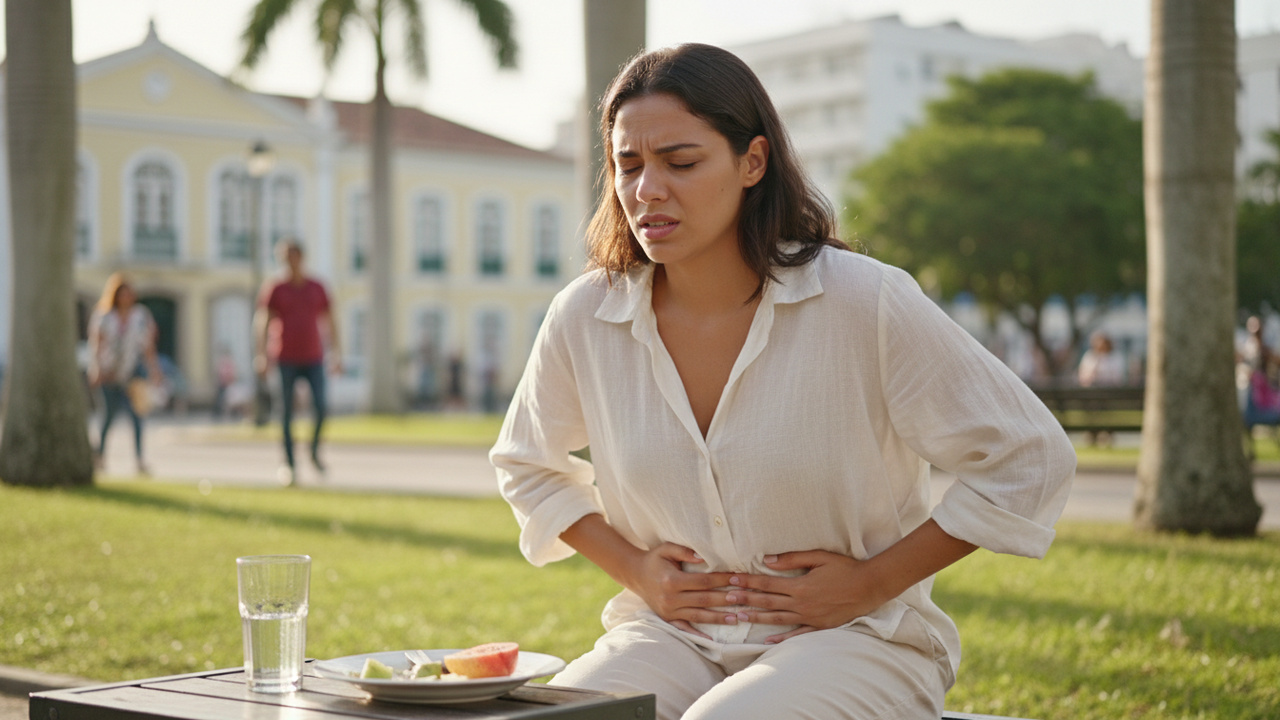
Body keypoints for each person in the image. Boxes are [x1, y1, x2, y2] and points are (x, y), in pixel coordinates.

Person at [490, 44, 1076, 720]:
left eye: (681, 162)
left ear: (753, 161)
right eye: (629, 165)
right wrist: (636, 569)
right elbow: (526, 463)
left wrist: (870, 583)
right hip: (671, 635)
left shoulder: (863, 301)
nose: (647, 189)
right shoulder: (586, 316)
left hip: (859, 638)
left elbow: (1028, 455)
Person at [255, 239, 342, 486]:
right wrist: (262, 355)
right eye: (284, 258)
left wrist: (336, 353)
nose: (288, 262)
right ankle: (289, 464)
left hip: (313, 357)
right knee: (285, 413)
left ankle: (314, 452)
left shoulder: (317, 287)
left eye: (292, 257)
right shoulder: (276, 288)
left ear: (301, 258)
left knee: (321, 407)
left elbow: (330, 321)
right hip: (285, 357)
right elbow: (263, 321)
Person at [87, 273, 165, 475]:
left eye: (129, 293)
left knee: (137, 416)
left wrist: (155, 370)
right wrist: (96, 369)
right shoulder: (104, 316)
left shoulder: (141, 316)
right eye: (122, 293)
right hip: (109, 372)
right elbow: (96, 345)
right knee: (108, 416)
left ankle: (139, 460)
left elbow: (148, 347)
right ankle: (100, 457)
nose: (126, 297)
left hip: (133, 371)